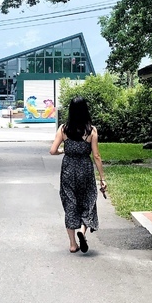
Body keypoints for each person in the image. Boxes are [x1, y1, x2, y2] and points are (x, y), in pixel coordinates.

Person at [49, 96, 106, 254]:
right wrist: (102, 178)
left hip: (68, 169)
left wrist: (63, 150)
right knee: (88, 200)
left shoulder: (63, 129)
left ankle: (73, 244)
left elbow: (53, 150)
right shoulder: (91, 130)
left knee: (70, 204)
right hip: (85, 170)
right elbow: (96, 156)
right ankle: (82, 229)